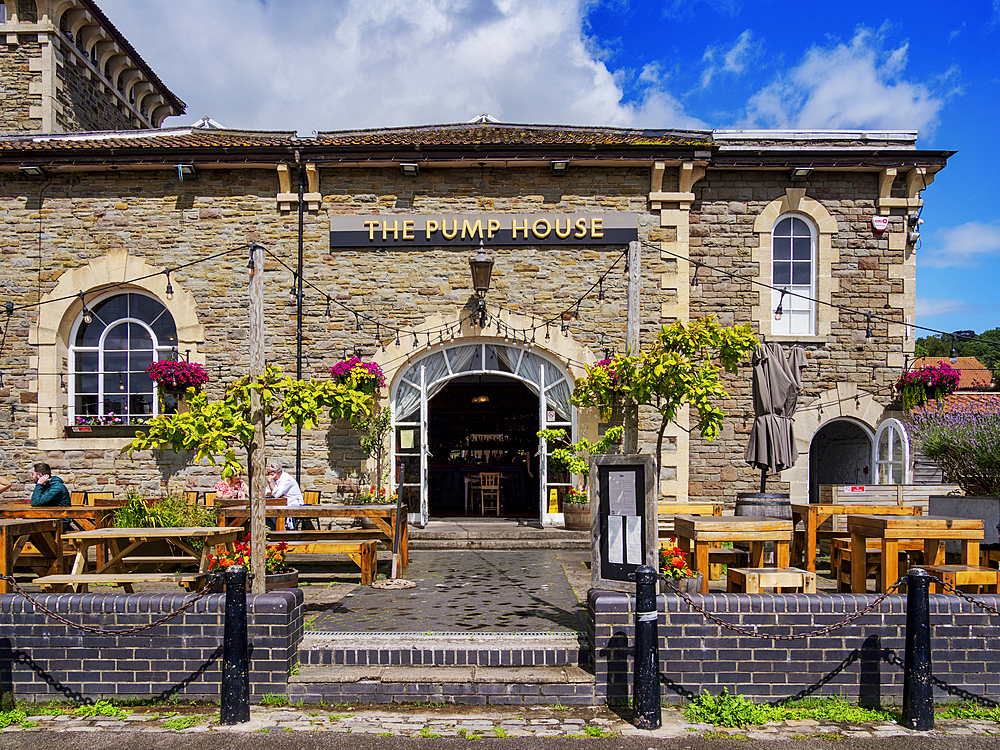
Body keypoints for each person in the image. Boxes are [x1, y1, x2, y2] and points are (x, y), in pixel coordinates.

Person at [266, 462, 304, 531]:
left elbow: (276, 494)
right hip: (280, 504)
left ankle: (283, 530)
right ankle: (276, 531)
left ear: (274, 472)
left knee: (274, 512)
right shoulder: (274, 480)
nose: (267, 475)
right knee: (266, 512)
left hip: (293, 504)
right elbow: (266, 492)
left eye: (268, 473)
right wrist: (274, 493)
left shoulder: (286, 479)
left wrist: (269, 481)